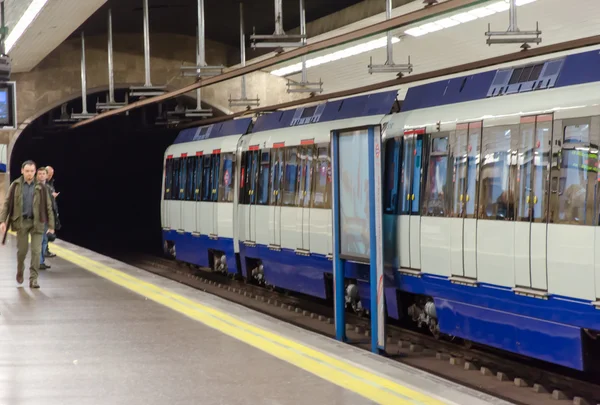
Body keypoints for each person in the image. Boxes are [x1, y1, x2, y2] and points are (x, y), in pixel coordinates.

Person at [0, 160, 55, 288]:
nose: (29, 174)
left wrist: (51, 225)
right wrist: (2, 221)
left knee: (36, 251)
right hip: (22, 222)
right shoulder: (15, 185)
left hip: (37, 223)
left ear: (35, 172)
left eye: (31, 171)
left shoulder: (42, 187)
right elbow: (7, 204)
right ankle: (20, 270)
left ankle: (33, 279)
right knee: (22, 252)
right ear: (22, 171)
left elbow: (48, 206)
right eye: (27, 171)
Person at [37, 167, 51, 270]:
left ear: (47, 175)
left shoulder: (48, 188)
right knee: (40, 240)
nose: (41, 175)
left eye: (43, 174)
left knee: (44, 240)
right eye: (40, 174)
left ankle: (41, 260)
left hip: (46, 218)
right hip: (38, 219)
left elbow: (51, 206)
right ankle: (40, 261)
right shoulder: (35, 187)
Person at [44, 165, 59, 258]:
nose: (50, 176)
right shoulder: (41, 183)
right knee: (46, 233)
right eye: (49, 174)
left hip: (50, 210)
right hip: (44, 212)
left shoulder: (50, 183)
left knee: (48, 233)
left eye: (51, 174)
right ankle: (44, 251)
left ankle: (45, 250)